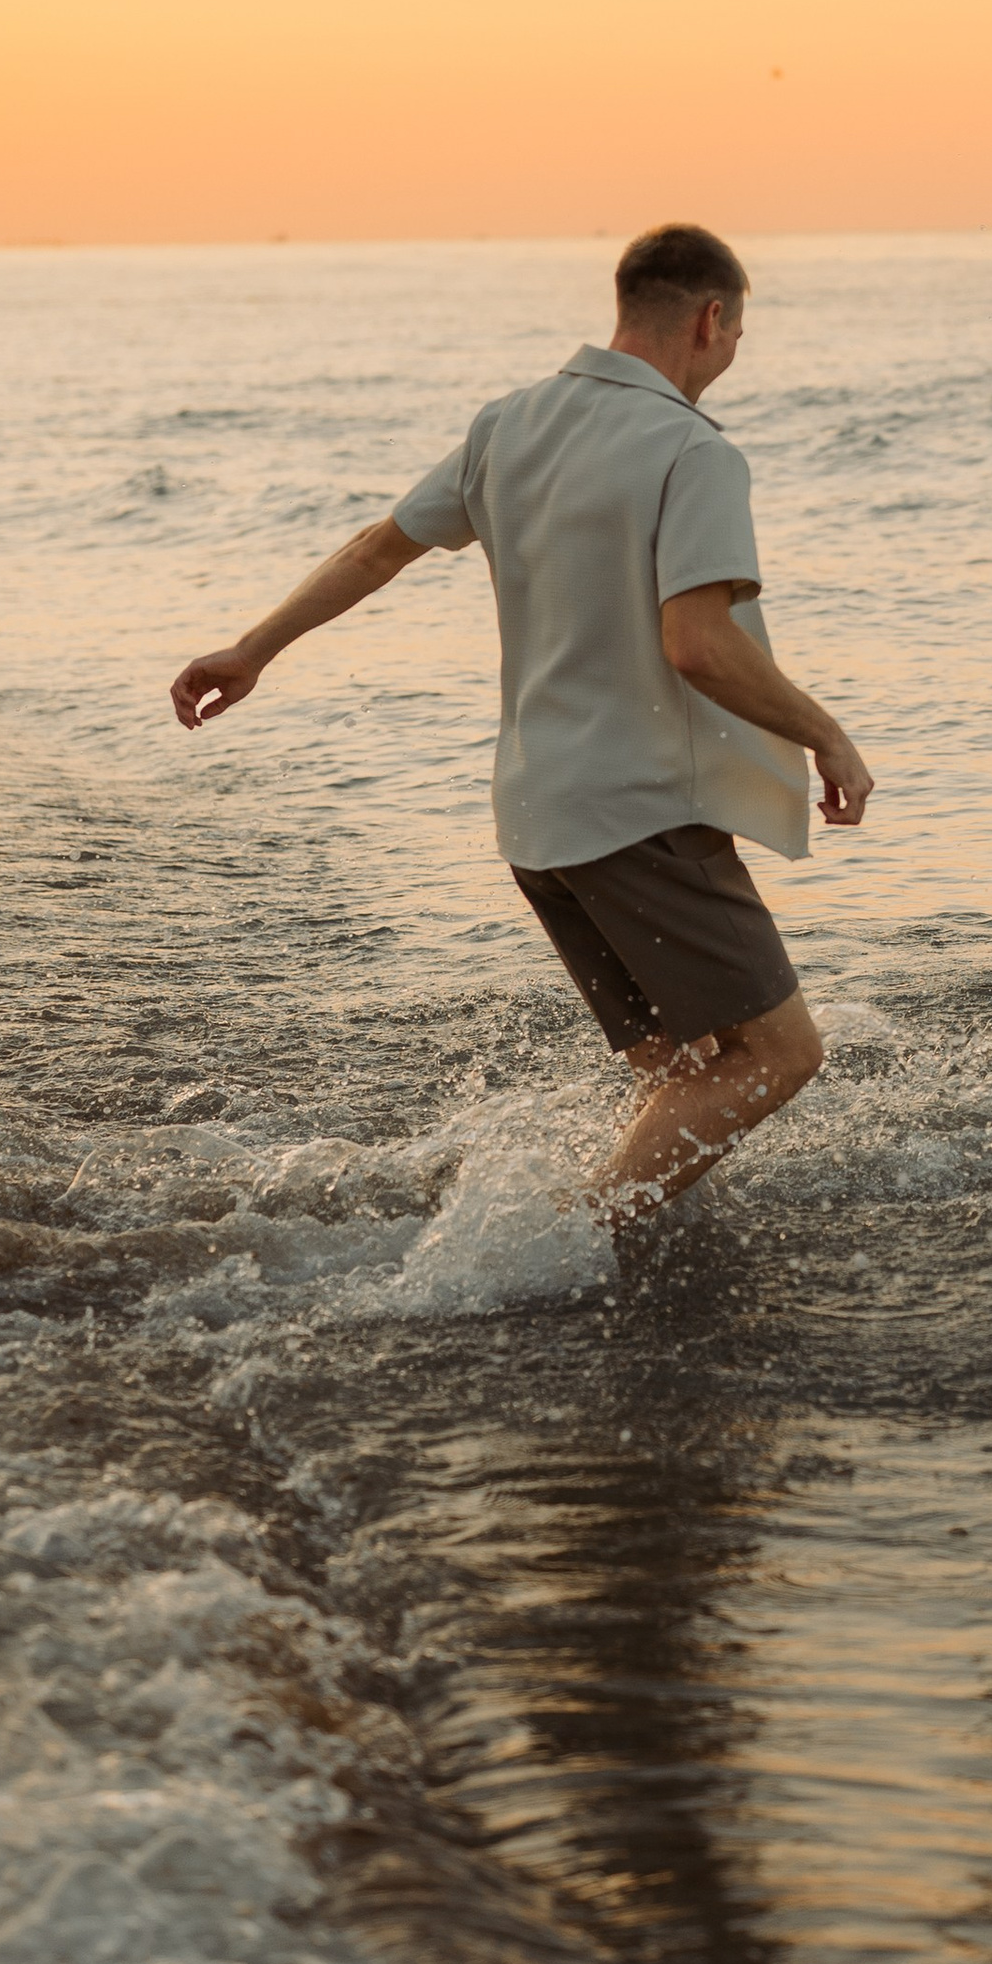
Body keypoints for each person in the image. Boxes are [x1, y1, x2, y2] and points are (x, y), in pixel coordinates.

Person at [168, 222, 870, 1229]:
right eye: (738, 331)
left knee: (679, 1069)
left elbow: (377, 548)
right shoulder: (692, 450)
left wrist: (253, 647)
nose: (731, 352)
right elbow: (698, 644)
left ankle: (616, 1248)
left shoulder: (510, 421)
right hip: (641, 810)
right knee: (779, 1053)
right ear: (710, 320)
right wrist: (827, 733)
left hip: (535, 813)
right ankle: (572, 1238)